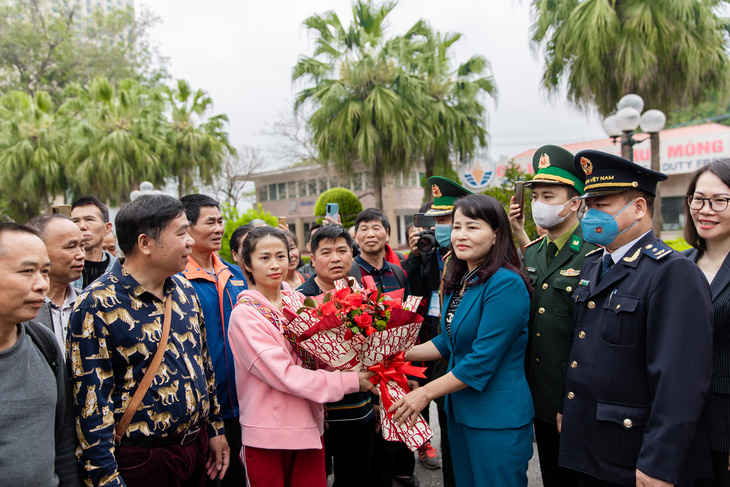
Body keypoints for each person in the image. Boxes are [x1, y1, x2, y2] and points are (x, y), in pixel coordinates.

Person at [558, 150, 713, 486]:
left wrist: (660, 461)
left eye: (603, 204)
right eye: (589, 205)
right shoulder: (594, 265)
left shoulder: (672, 272)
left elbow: (680, 380)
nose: (590, 214)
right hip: (589, 444)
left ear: (639, 208)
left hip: (633, 454)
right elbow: (580, 347)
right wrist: (566, 409)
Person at [67, 194, 230, 487]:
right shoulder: (96, 303)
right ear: (145, 243)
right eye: (181, 233)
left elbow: (204, 365)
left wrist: (215, 429)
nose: (190, 242)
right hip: (143, 459)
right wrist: (105, 478)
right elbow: (92, 402)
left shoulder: (183, 289)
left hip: (197, 448)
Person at [391, 193, 534, 487]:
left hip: (496, 419)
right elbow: (448, 341)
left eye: (473, 227)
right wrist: (395, 353)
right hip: (463, 412)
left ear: (497, 235)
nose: (460, 235)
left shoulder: (506, 283)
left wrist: (424, 393)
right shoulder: (466, 279)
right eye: (456, 227)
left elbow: (481, 361)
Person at [227, 226, 377, 487]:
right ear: (247, 264)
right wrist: (351, 381)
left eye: (280, 256)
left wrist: (362, 356)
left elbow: (320, 354)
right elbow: (285, 375)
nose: (275, 265)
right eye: (264, 258)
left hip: (309, 424)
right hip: (269, 435)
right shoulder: (245, 315)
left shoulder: (296, 301)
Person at [507, 145, 597, 487]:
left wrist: (572, 399)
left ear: (574, 203)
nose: (539, 204)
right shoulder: (532, 252)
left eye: (549, 195)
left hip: (575, 398)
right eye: (536, 196)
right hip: (539, 397)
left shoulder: (594, 253)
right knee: (552, 476)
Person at [0, 222, 81, 487]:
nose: (41, 285)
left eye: (45, 272)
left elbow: (64, 441)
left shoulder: (43, 341)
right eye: (27, 271)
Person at [295, 224, 375, 487]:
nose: (336, 258)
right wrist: (313, 404)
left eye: (342, 250)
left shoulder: (362, 294)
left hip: (360, 407)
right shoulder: (300, 301)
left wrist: (377, 399)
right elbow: (297, 361)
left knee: (357, 476)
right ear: (313, 257)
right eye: (326, 252)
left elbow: (373, 349)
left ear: (352, 255)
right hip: (321, 414)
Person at [403, 176, 471, 485]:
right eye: (438, 221)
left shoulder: (488, 272)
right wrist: (418, 256)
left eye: (450, 220)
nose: (446, 229)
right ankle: (424, 443)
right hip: (431, 338)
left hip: (465, 367)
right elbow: (414, 293)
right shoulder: (438, 257)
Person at [180, 194, 249, 487]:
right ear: (187, 228)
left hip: (245, 405)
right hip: (204, 414)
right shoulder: (177, 281)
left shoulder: (235, 275)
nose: (219, 228)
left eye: (221, 221)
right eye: (210, 223)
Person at [683, 159, 730, 486]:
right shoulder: (678, 265)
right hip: (682, 425)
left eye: (720, 200)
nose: (705, 209)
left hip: (724, 425)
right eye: (698, 199)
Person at [26, 214, 86, 351]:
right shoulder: (21, 312)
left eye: (82, 245)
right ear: (39, 250)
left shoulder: (88, 303)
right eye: (71, 247)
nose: (81, 255)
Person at [71, 195, 116, 288]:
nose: (82, 226)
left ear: (107, 228)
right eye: (76, 221)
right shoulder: (62, 271)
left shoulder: (122, 272)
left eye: (89, 219)